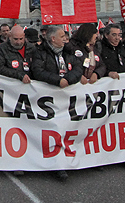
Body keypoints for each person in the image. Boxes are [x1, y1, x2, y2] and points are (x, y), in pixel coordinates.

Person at [30, 24, 84, 181]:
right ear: (53, 39)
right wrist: (57, 81)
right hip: (48, 99)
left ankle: (66, 160)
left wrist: (67, 79)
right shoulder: (40, 52)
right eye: (62, 37)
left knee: (66, 129)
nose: (65, 39)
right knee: (51, 130)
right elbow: (38, 71)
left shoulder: (69, 52)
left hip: (67, 98)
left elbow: (77, 68)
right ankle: (56, 164)